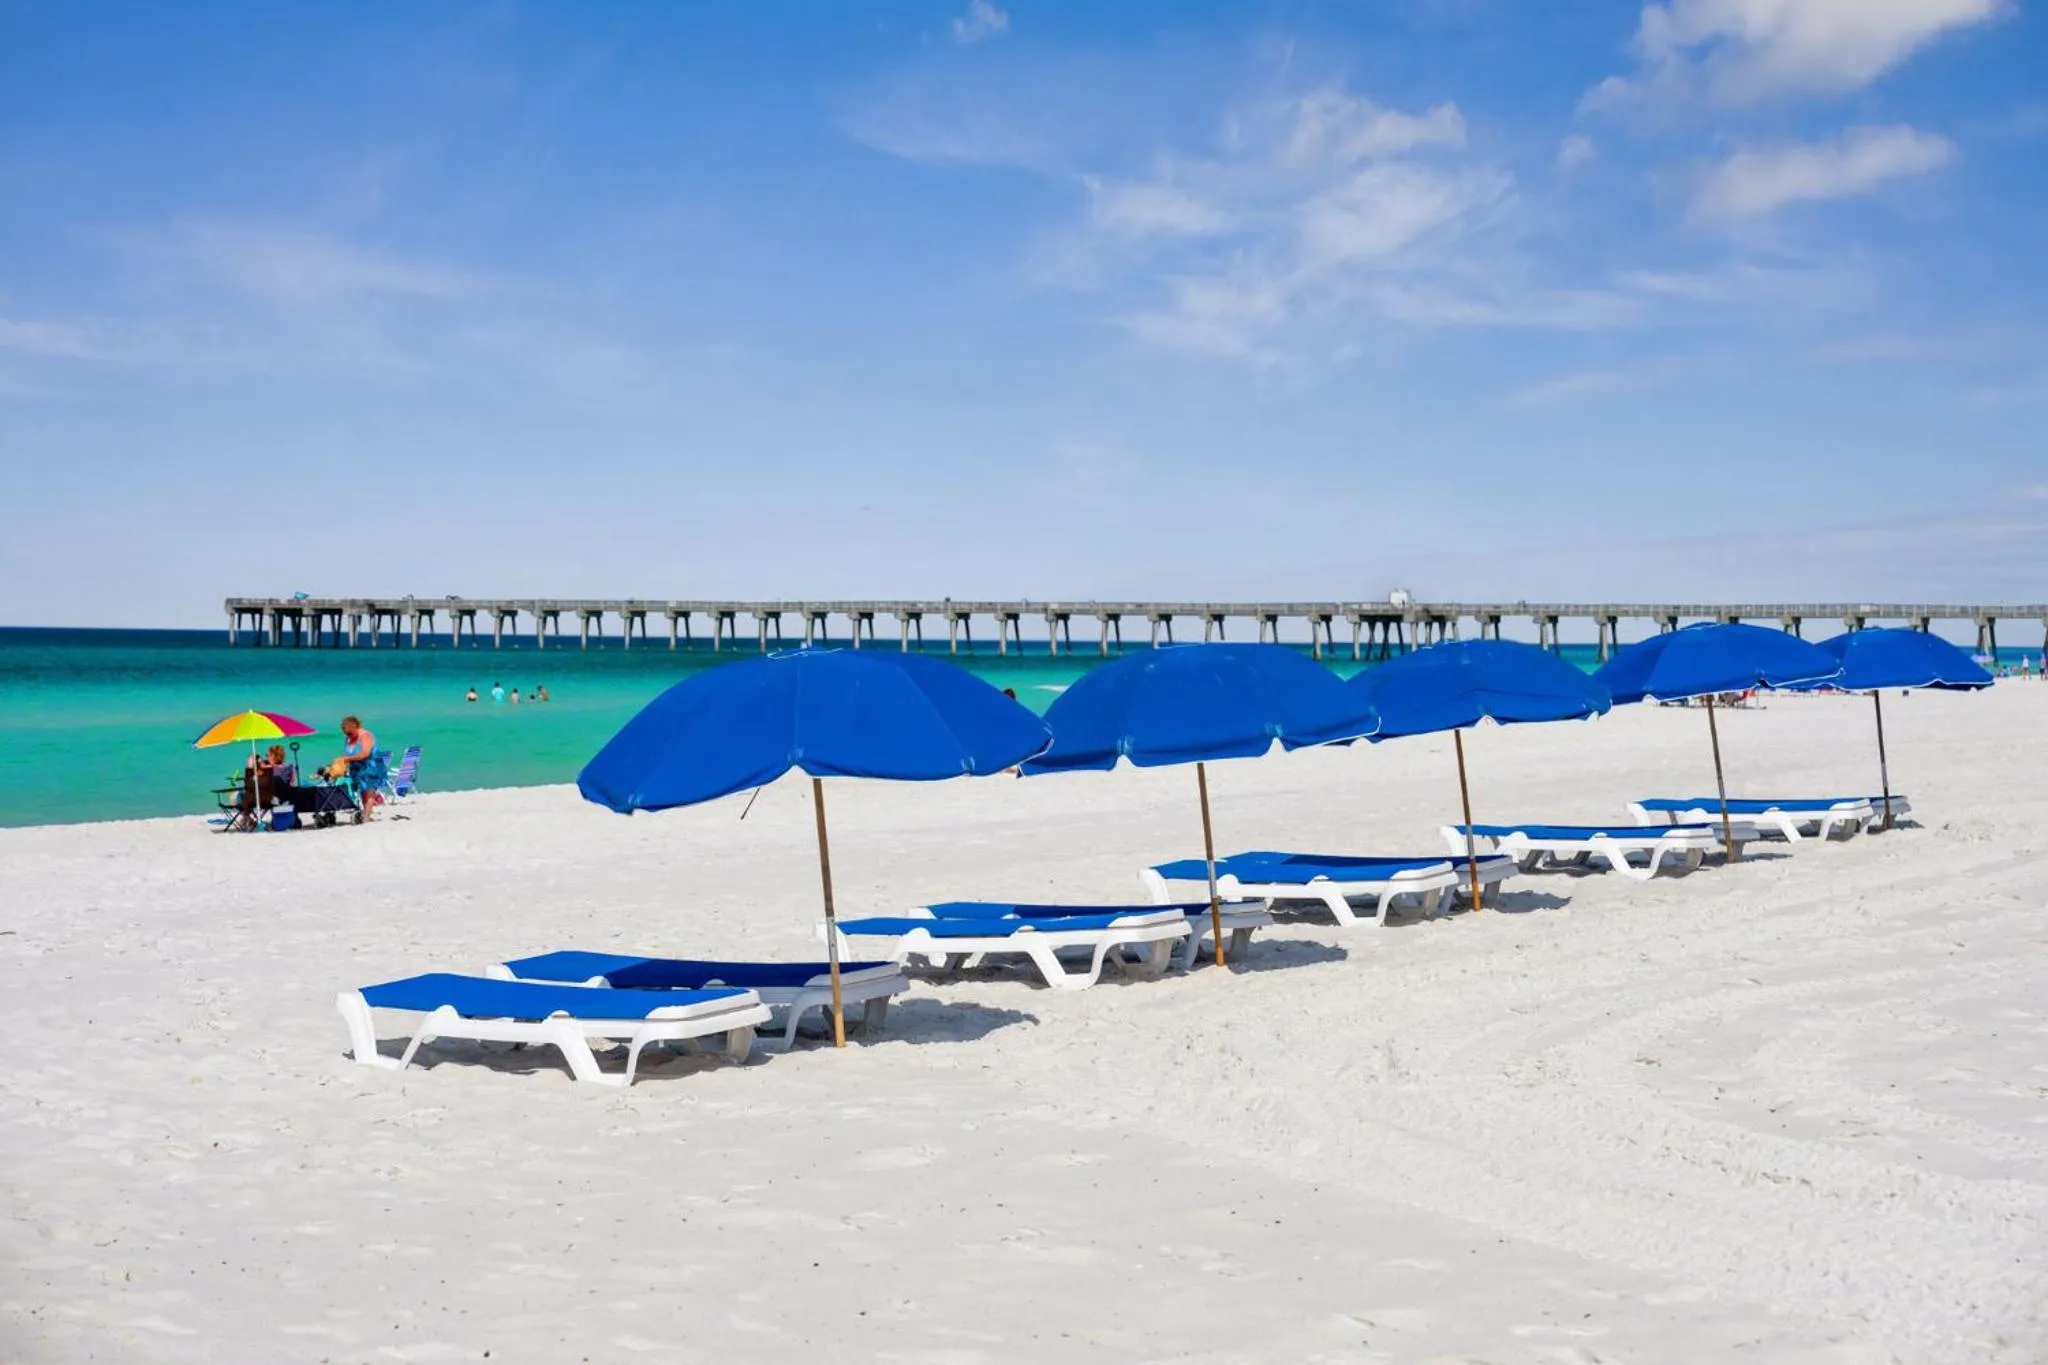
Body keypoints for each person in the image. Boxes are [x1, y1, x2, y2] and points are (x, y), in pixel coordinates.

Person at [331, 716, 383, 819]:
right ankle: (365, 814)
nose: (348, 735)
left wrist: (348, 758)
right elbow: (345, 753)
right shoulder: (348, 738)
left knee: (368, 790)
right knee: (361, 791)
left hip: (369, 766)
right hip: (355, 768)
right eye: (345, 733)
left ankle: (366, 816)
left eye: (349, 733)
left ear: (355, 727)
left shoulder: (365, 735)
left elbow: (365, 753)